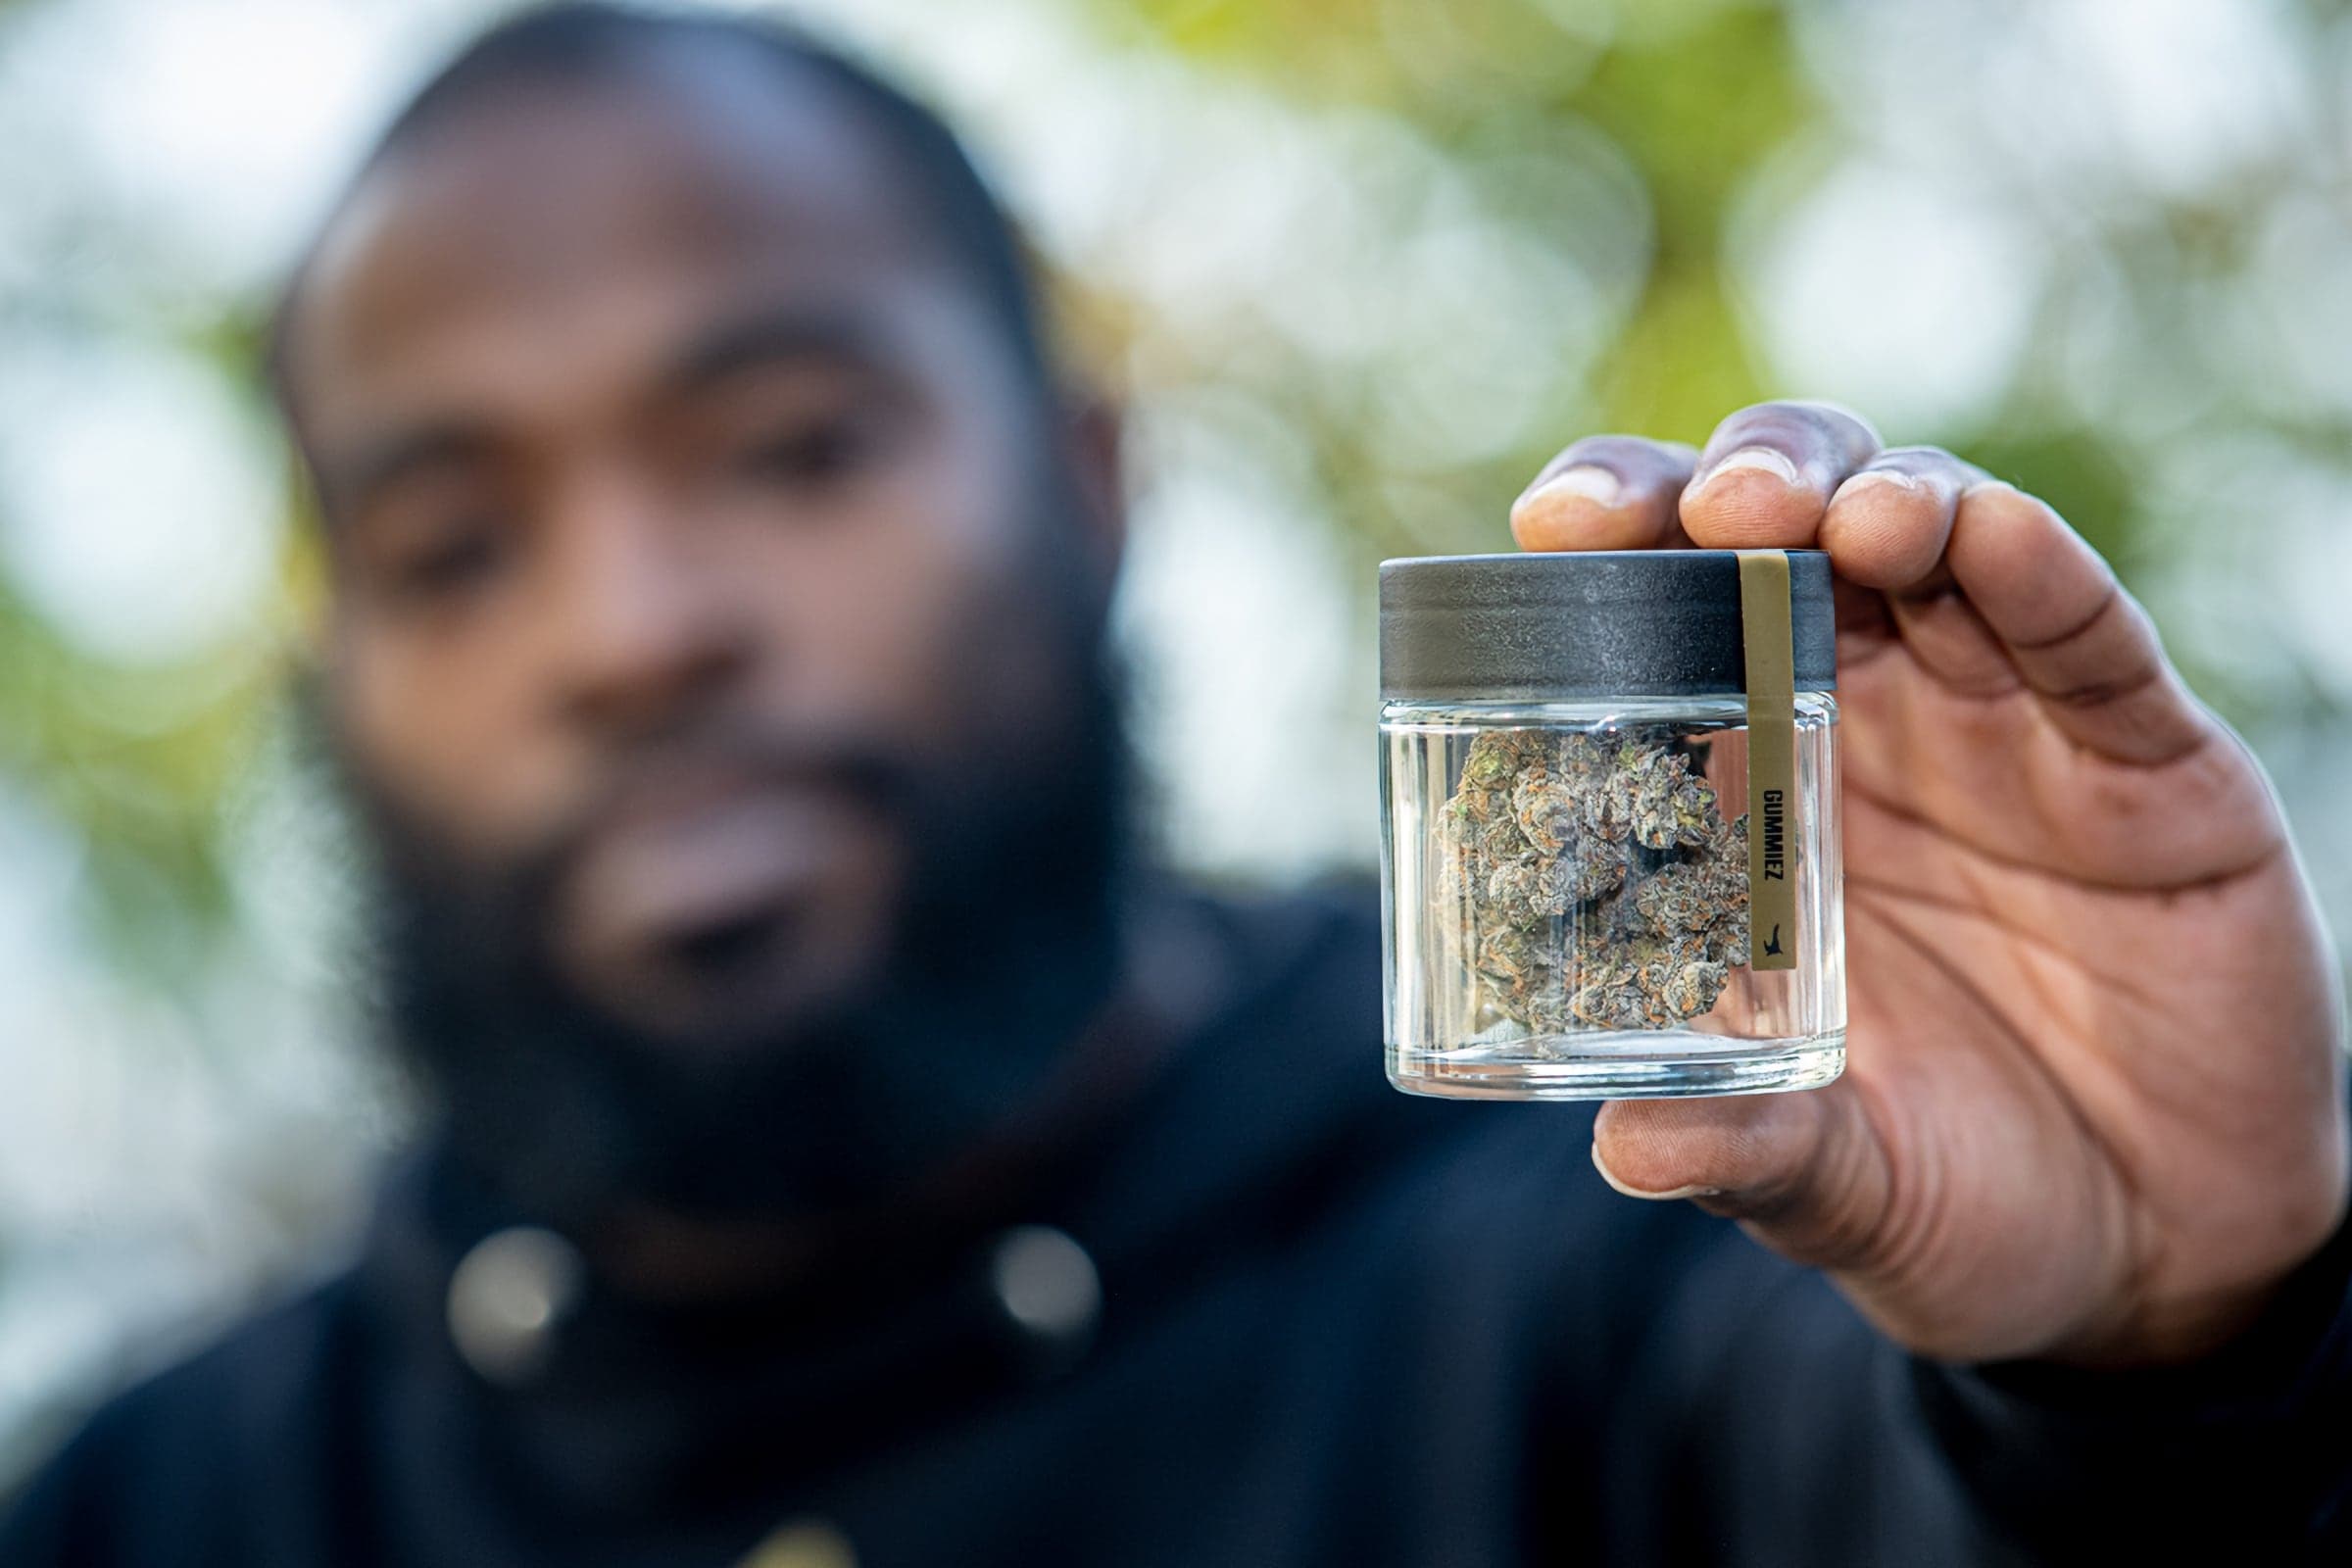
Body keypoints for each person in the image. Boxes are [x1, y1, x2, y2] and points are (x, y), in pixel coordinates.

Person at [4, 4, 2347, 1564]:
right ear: (333, 663)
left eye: (794, 448)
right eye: (452, 543)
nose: (630, 627)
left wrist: (2180, 1362)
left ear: (1093, 478)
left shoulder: (1649, 1256)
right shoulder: (148, 1504)